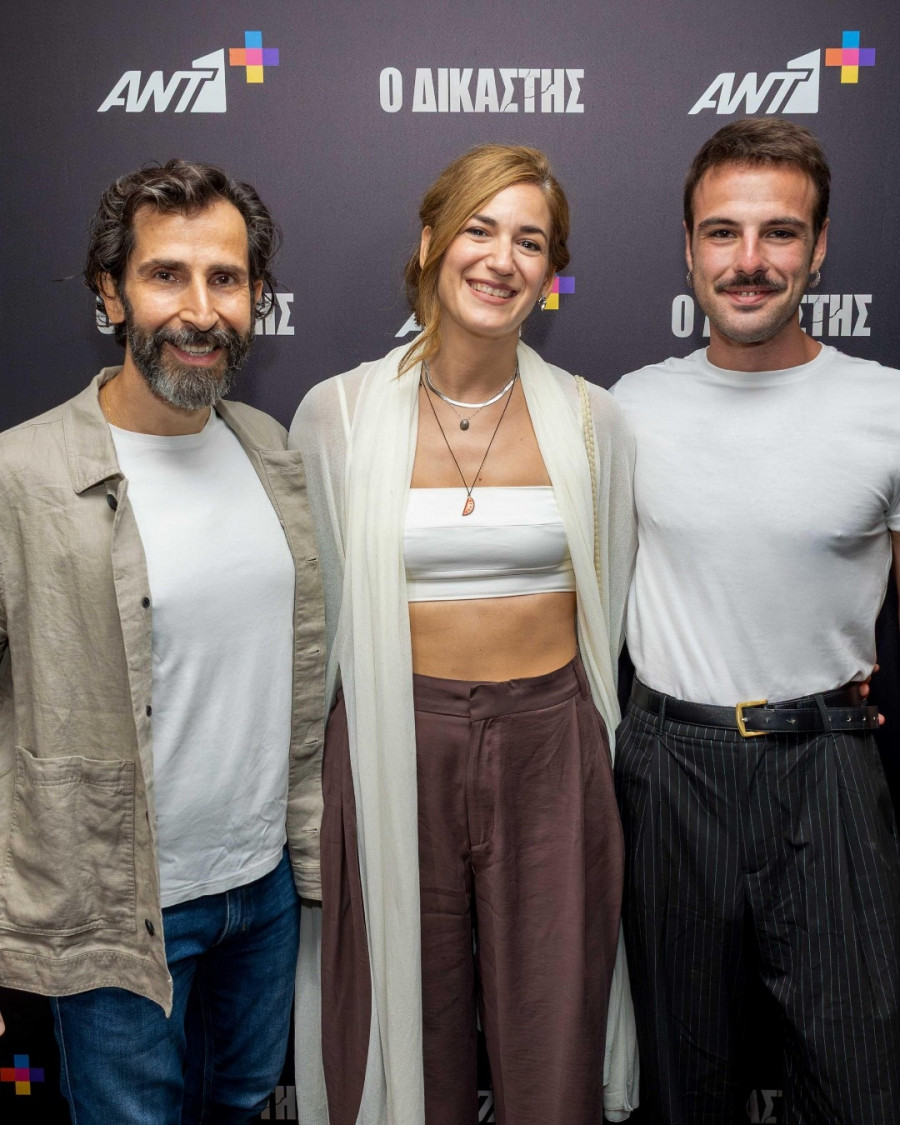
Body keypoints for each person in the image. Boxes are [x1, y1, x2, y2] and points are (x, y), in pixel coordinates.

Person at [289, 144, 638, 1125]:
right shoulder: (336, 416)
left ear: (551, 271)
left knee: (552, 1028)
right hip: (394, 742)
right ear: (431, 242)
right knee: (409, 1023)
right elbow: (317, 628)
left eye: (530, 240)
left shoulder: (594, 422)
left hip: (552, 745)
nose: (501, 258)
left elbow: (615, 602)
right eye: (480, 228)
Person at [0, 160, 326, 1124]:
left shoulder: (270, 448)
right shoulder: (22, 475)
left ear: (256, 297)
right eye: (165, 275)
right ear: (111, 293)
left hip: (262, 894)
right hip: (114, 911)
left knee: (241, 1103)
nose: (200, 309)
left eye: (225, 279)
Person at [612, 117, 900, 1124]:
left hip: (828, 769)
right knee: (681, 1091)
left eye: (780, 232)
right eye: (722, 232)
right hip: (669, 773)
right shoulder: (628, 409)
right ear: (689, 250)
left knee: (860, 1085)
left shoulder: (886, 406)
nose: (749, 260)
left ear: (818, 250)